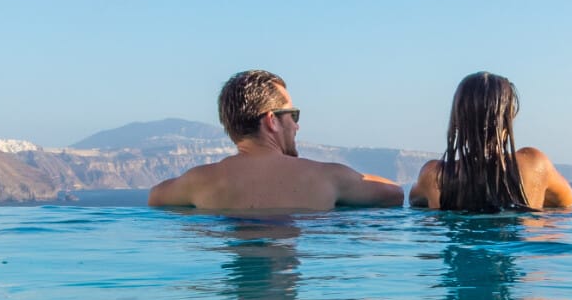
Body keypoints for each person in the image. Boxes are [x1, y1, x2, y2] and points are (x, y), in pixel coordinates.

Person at [149, 69, 403, 211]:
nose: (297, 125)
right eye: (292, 114)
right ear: (271, 120)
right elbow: (395, 195)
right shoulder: (325, 177)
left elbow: (155, 197)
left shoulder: (198, 182)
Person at [409, 72, 572, 212]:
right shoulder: (535, 163)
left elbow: (414, 202)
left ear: (457, 121)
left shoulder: (434, 175)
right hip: (521, 249)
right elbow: (566, 202)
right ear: (508, 118)